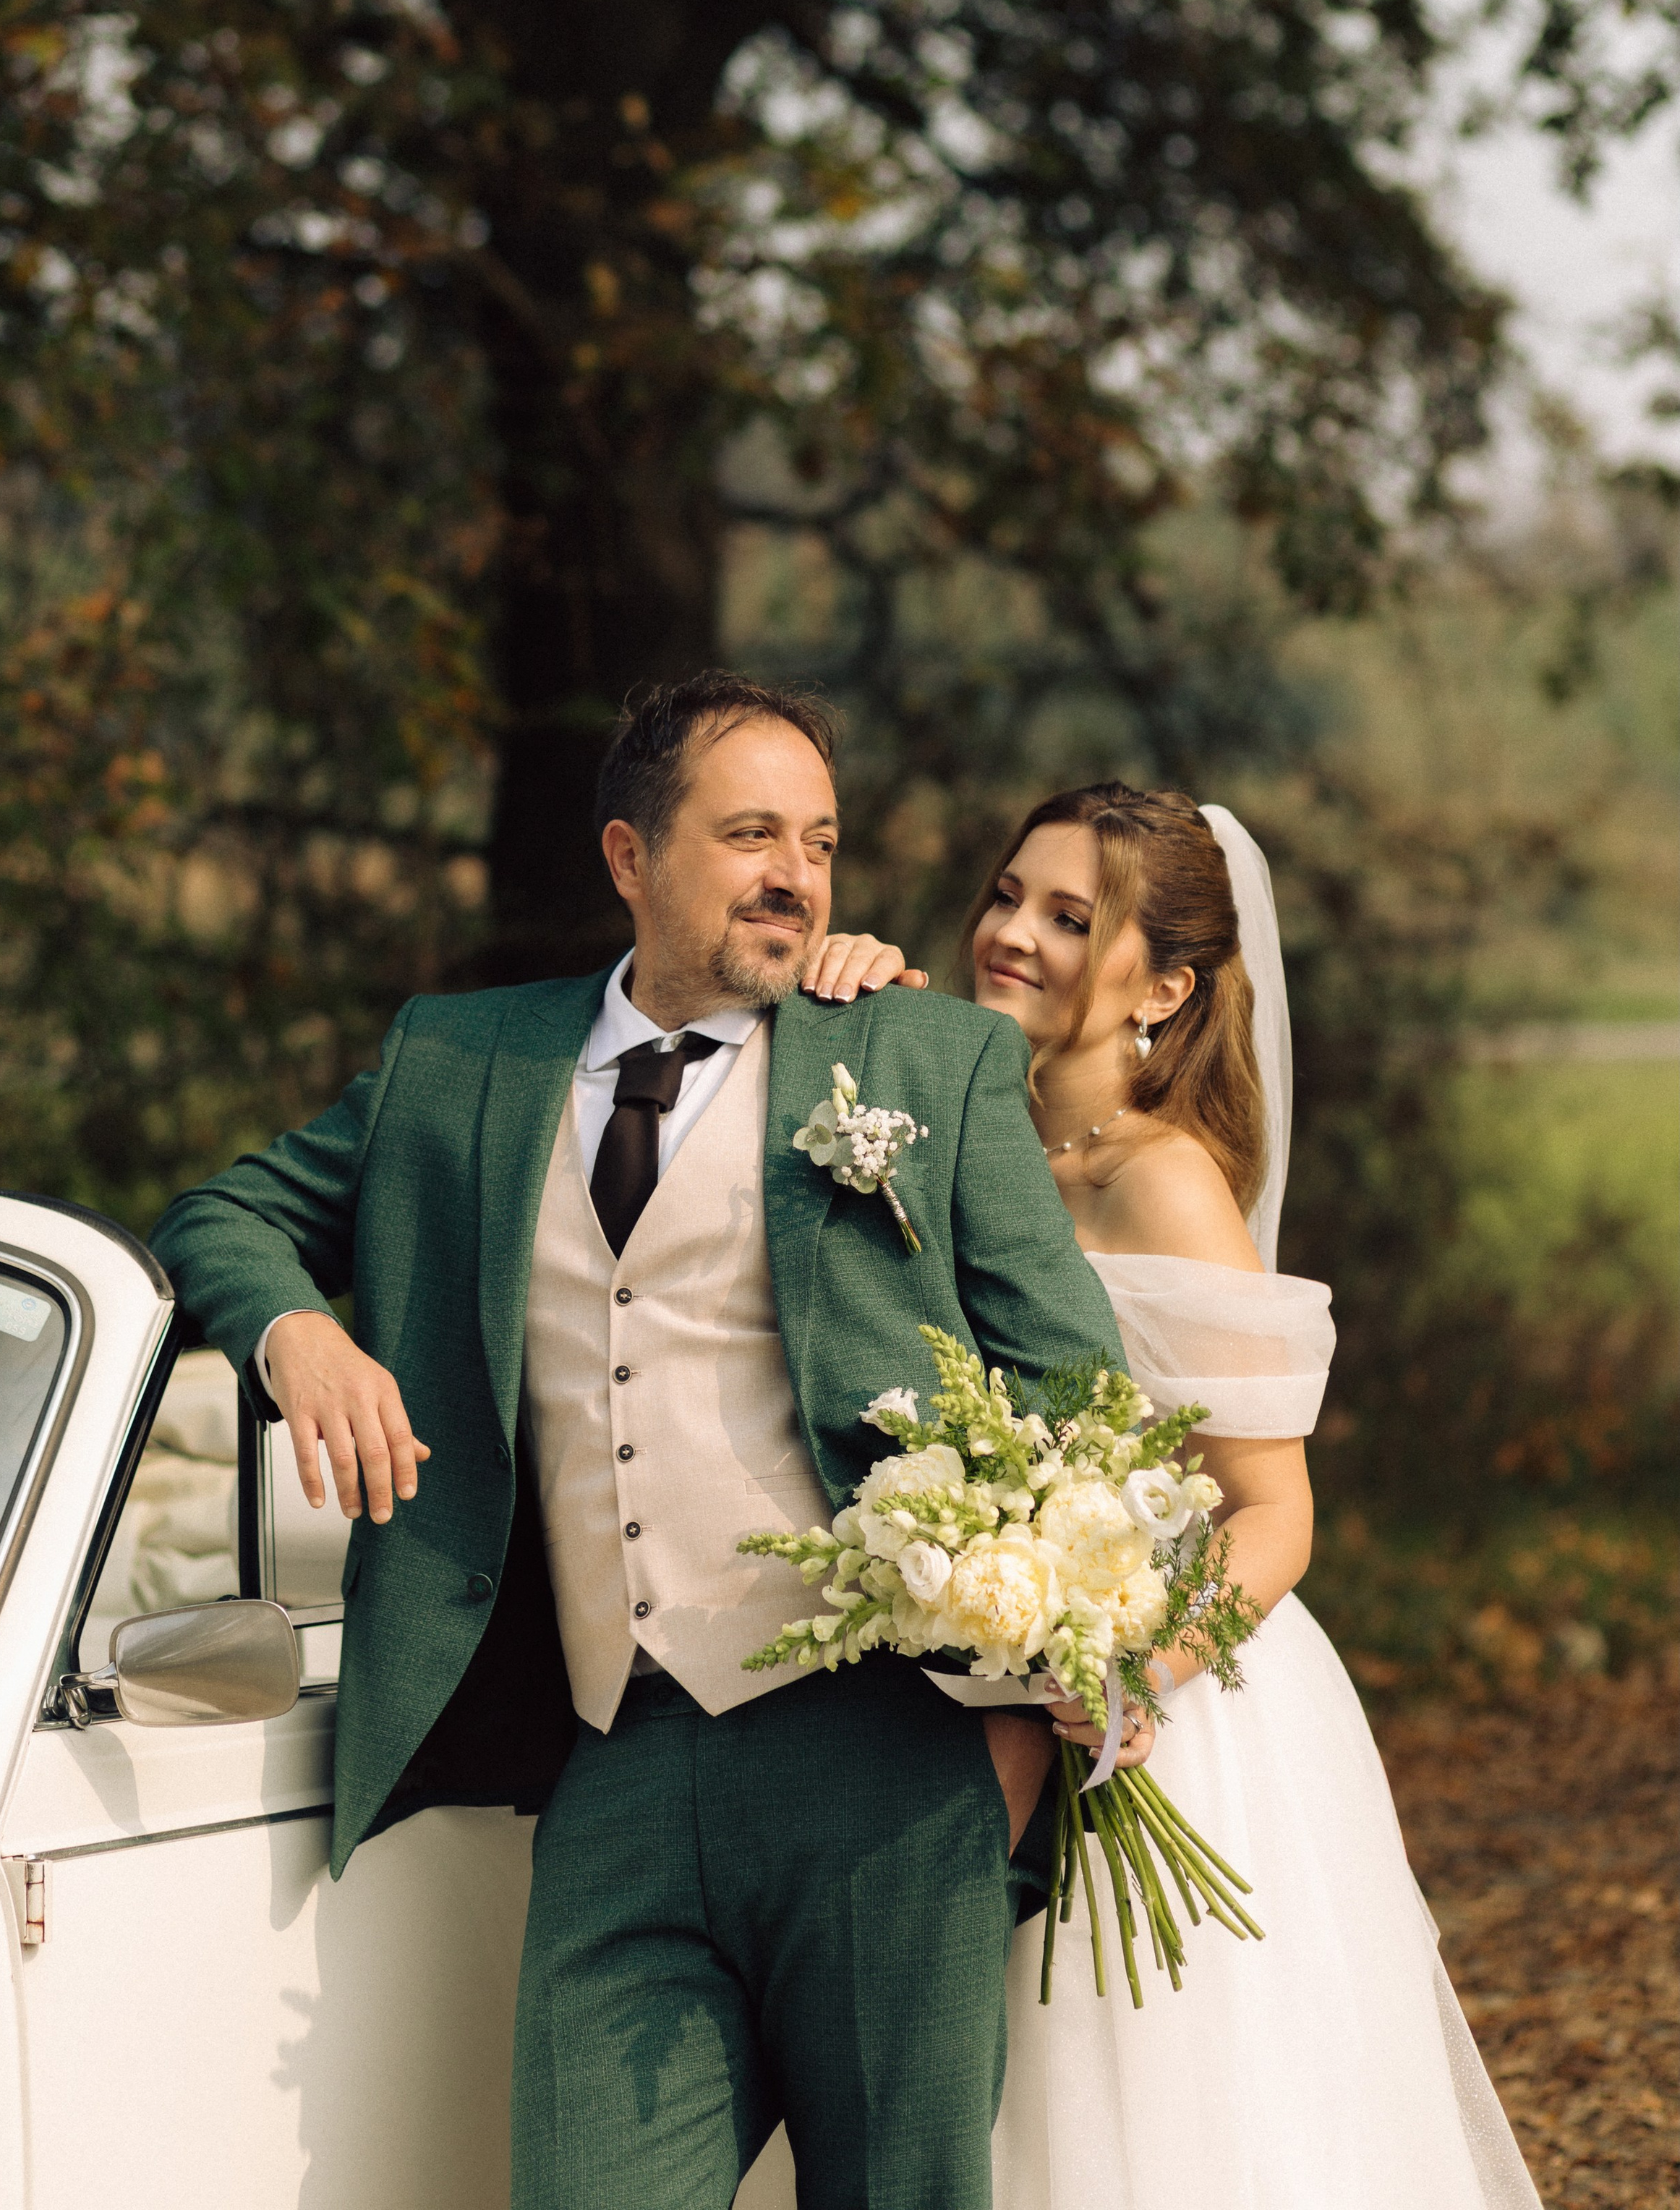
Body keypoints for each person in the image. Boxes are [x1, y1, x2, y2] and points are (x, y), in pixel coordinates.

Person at [150, 673, 1118, 2210]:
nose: (793, 872)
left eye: (818, 839)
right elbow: (223, 1214)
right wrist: (300, 1332)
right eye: (747, 835)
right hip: (611, 1767)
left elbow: (1078, 1389)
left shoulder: (924, 1065)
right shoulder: (457, 1064)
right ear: (627, 859)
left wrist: (1022, 1701)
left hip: (881, 1761)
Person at [811, 783, 1541, 2210]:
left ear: (1164, 985)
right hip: (956, 1689)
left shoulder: (1165, 1189)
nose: (1009, 932)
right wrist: (852, 989)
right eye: (1006, 894)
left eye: (1068, 918)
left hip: (1159, 1710)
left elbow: (1272, 1513)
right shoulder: (943, 1114)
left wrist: (1132, 1663)